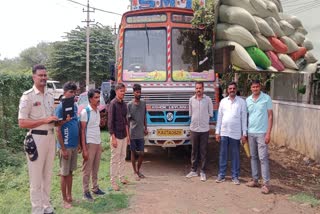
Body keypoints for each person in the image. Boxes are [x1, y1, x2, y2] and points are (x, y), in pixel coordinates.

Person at [18, 64, 59, 214]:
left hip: (50, 138)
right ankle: (37, 210)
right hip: (36, 139)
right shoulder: (27, 96)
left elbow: (50, 118)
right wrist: (44, 120)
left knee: (47, 176)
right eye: (40, 75)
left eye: (45, 75)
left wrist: (59, 120)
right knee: (36, 179)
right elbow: (22, 122)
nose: (43, 78)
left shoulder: (49, 94)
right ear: (33, 77)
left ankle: (46, 207)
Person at [215, 82, 247, 185]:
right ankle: (221, 175)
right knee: (223, 154)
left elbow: (244, 118)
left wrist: (244, 133)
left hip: (236, 133)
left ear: (236, 89)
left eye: (233, 88)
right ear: (227, 90)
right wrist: (217, 132)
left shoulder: (241, 102)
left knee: (235, 155)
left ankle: (235, 176)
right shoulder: (223, 101)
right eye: (230, 88)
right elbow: (219, 117)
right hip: (224, 132)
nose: (232, 90)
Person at [246, 80, 273, 194]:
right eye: (253, 87)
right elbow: (246, 116)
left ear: (260, 87)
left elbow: (270, 116)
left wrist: (268, 133)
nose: (255, 89)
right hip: (250, 132)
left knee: (263, 158)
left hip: (262, 133)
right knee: (253, 157)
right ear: (251, 88)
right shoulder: (247, 100)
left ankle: (266, 184)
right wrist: (245, 132)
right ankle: (255, 180)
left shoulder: (266, 98)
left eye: (257, 87)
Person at [55, 81, 79, 209]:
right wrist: (63, 148)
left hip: (74, 145)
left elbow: (76, 122)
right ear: (64, 93)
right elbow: (57, 129)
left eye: (74, 92)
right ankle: (64, 199)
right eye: (71, 92)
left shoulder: (74, 106)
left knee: (70, 172)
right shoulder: (60, 107)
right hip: (65, 145)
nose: (73, 94)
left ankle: (70, 196)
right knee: (64, 174)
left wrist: (79, 143)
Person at [80, 89, 105, 202]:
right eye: (95, 97)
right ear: (90, 99)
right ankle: (85, 192)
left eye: (98, 97)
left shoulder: (97, 111)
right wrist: (84, 149)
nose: (98, 99)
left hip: (97, 142)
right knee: (87, 169)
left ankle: (95, 188)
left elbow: (96, 127)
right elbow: (82, 131)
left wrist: (100, 143)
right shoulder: (86, 112)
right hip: (89, 143)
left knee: (96, 167)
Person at [186, 81, 213, 181]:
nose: (198, 90)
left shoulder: (208, 100)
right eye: (197, 88)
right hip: (194, 129)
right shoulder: (191, 100)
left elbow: (210, 113)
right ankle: (193, 170)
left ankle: (203, 171)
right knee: (194, 151)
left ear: (203, 89)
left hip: (204, 129)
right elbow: (191, 114)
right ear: (195, 89)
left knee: (203, 151)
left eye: (200, 88)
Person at [108, 83, 130, 191]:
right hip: (116, 136)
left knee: (123, 157)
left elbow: (126, 121)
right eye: (121, 91)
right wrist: (113, 138)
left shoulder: (124, 104)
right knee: (114, 159)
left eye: (124, 91)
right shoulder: (113, 104)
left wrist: (128, 136)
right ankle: (113, 182)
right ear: (116, 91)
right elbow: (110, 122)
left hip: (124, 135)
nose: (123, 93)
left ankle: (122, 177)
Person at [127, 84, 148, 181]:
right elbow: (127, 121)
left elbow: (144, 116)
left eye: (140, 92)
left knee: (142, 153)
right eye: (137, 92)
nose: (138, 94)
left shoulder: (143, 103)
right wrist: (127, 134)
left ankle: (138, 170)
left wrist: (145, 128)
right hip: (132, 132)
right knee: (133, 152)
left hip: (140, 132)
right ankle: (134, 172)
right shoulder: (129, 105)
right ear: (133, 92)